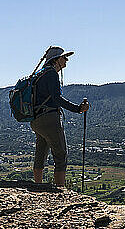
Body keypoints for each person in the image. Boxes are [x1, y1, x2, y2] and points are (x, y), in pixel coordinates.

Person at [30, 46, 89, 186]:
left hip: (36, 119)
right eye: (64, 57)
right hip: (49, 118)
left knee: (41, 152)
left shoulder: (40, 74)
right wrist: (78, 109)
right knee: (61, 155)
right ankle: (60, 191)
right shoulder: (51, 74)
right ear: (56, 59)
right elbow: (56, 98)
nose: (66, 60)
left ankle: (37, 185)